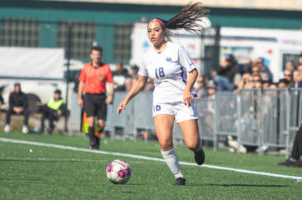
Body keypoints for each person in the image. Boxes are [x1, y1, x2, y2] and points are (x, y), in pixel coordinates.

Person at [117, 2, 208, 186]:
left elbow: (193, 71)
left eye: (156, 30)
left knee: (191, 143)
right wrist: (126, 99)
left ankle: (198, 149)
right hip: (162, 102)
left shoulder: (176, 50)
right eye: (149, 30)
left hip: (182, 100)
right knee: (165, 142)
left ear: (163, 31)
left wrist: (187, 90)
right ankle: (178, 176)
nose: (152, 33)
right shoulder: (147, 56)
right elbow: (141, 81)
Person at [78, 46, 114, 150]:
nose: (96, 56)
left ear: (101, 55)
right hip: (89, 96)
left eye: (98, 54)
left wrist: (111, 96)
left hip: (101, 97)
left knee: (102, 124)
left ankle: (96, 137)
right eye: (94, 54)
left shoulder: (106, 68)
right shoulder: (86, 67)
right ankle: (92, 142)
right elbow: (81, 83)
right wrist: (79, 98)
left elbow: (111, 83)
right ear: (91, 55)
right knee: (91, 120)